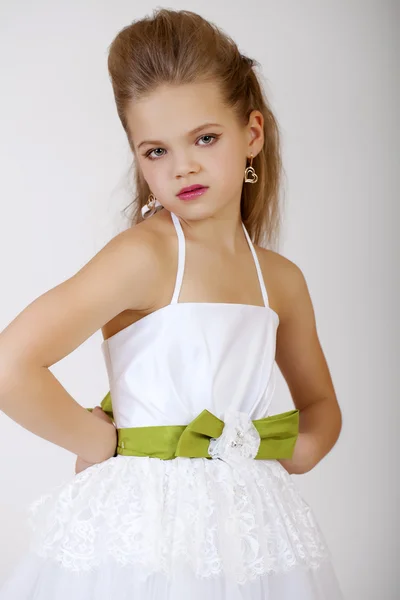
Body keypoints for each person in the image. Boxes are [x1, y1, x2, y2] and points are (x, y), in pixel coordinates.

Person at [0, 8, 344, 599]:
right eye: (155, 151)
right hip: (144, 534)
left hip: (254, 532)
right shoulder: (145, 256)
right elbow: (10, 366)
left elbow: (320, 406)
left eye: (205, 139)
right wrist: (97, 441)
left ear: (252, 134)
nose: (182, 165)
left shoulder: (280, 280)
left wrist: (289, 451)